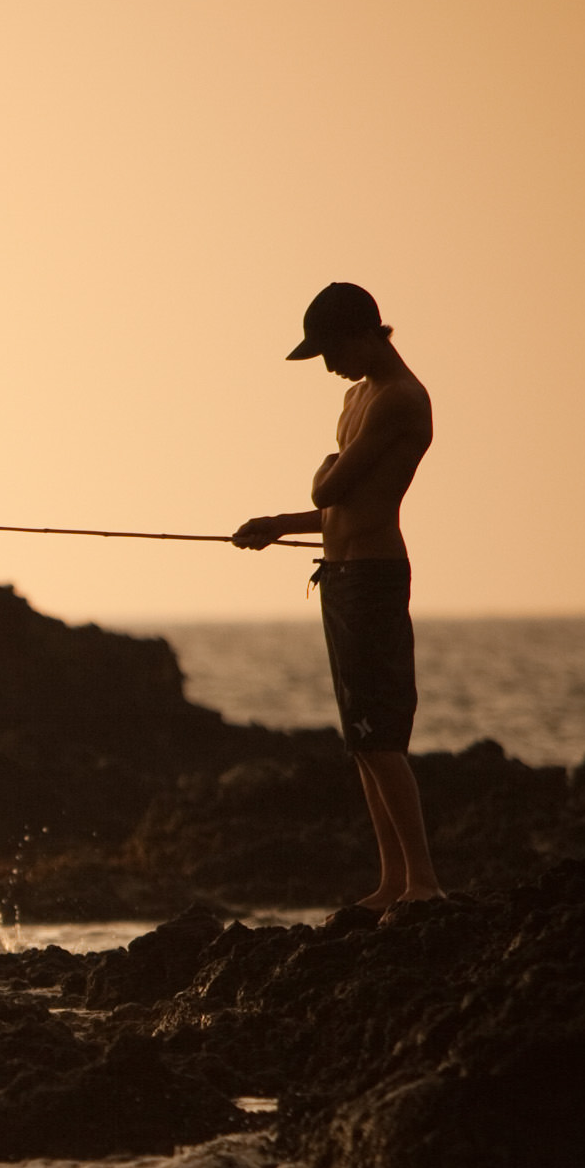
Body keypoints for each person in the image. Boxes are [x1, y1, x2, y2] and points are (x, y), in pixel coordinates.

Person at [236, 282, 442, 910]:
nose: (327, 366)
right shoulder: (356, 398)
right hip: (340, 576)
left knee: (381, 736)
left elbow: (334, 487)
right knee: (361, 741)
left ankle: (423, 884)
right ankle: (390, 884)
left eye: (331, 350)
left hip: (376, 578)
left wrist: (325, 470)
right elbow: (337, 503)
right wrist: (277, 524)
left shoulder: (401, 401)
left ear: (365, 334)